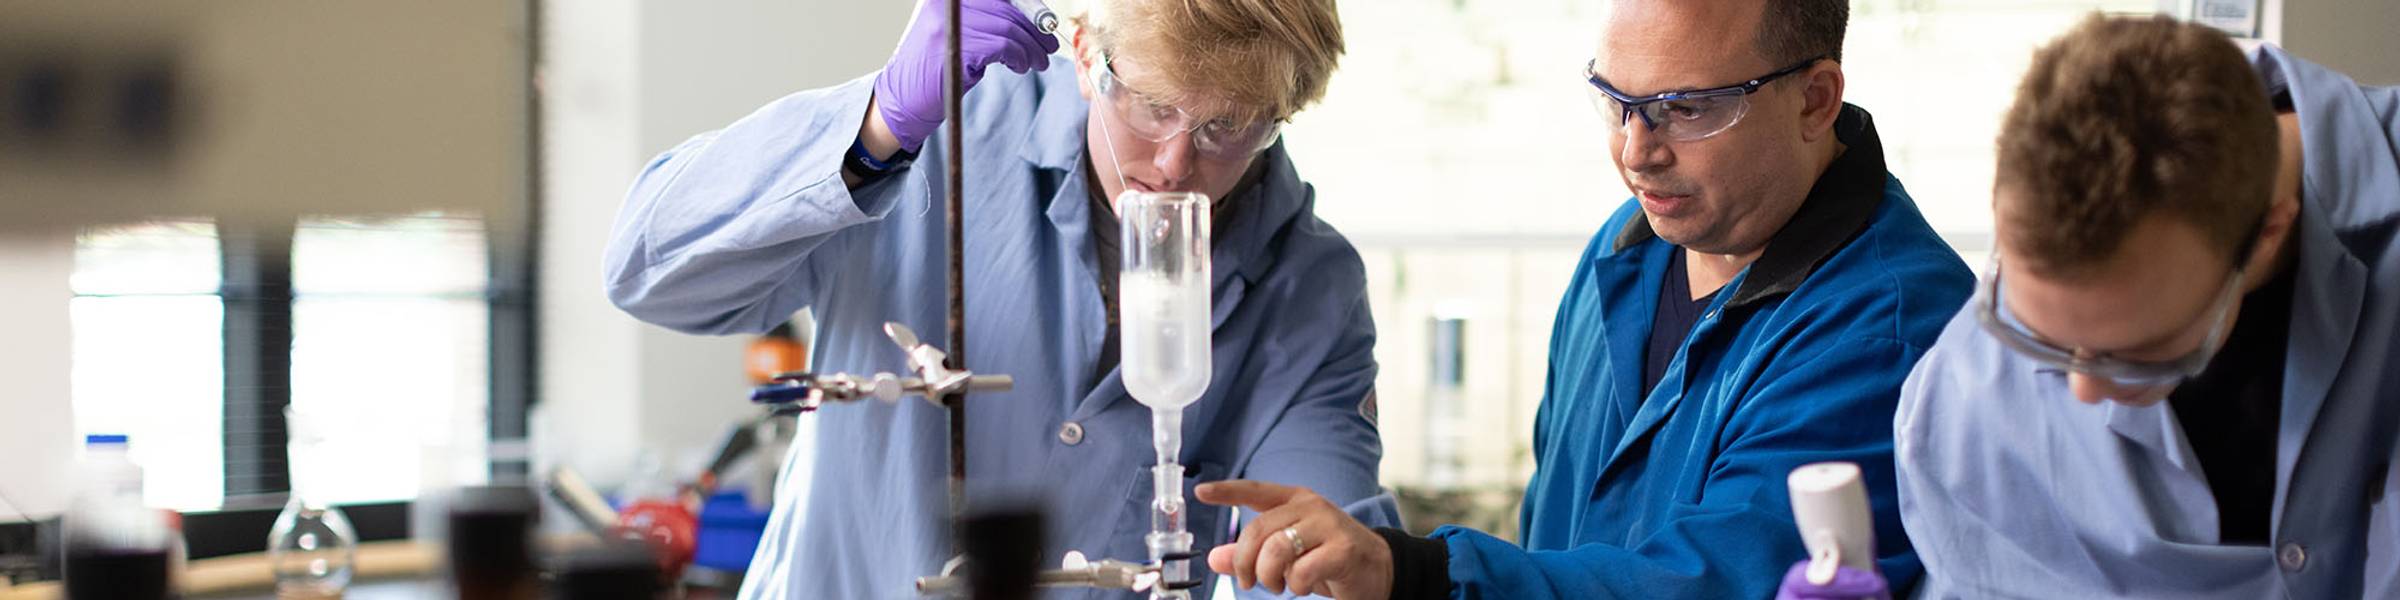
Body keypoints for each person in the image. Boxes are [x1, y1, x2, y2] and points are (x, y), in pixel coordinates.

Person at [602, 0, 1398, 597]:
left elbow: (1320, 555)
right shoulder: (937, 137)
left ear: (1284, 114)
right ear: (1086, 52)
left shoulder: (1311, 293)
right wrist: (877, 125)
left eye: (1227, 127)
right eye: (1154, 106)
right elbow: (647, 272)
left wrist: (1333, 565)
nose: (1173, 162)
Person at [1193, 0, 1973, 597]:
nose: (1637, 152)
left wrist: (1421, 573)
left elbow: (1718, 582)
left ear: (1815, 100)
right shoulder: (1627, 248)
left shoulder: (1890, 328)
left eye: (1686, 109)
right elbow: (1554, 536)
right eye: (1617, 100)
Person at [1895, 14, 2400, 598]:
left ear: (2267, 232)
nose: (2082, 388)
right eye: (2038, 334)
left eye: (2138, 352)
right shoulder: (1959, 417)